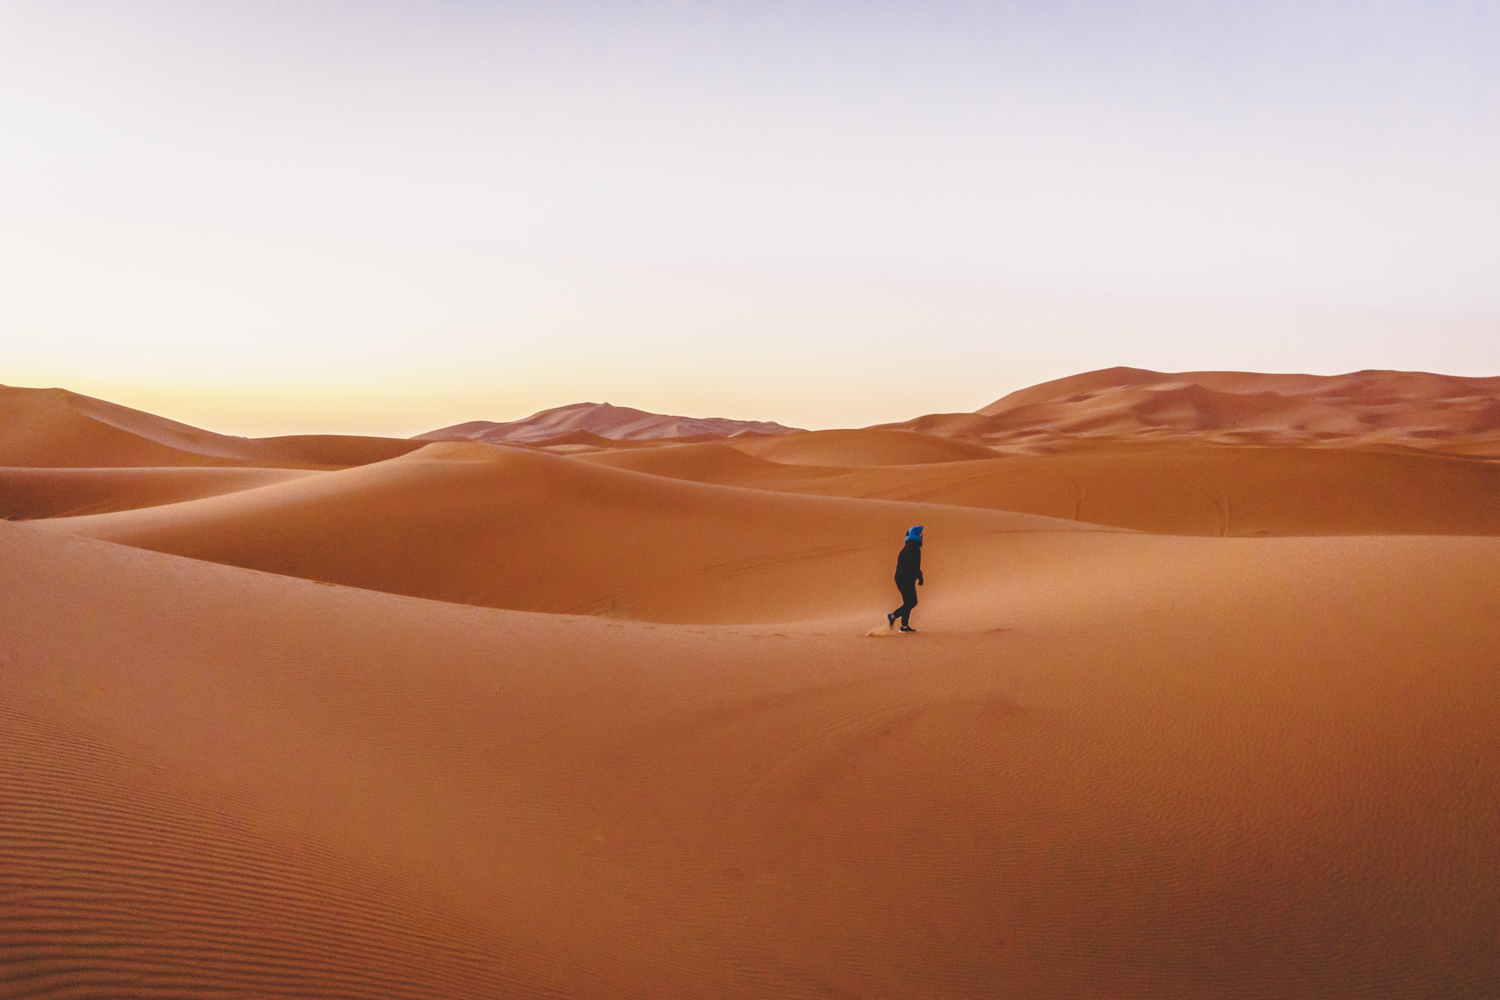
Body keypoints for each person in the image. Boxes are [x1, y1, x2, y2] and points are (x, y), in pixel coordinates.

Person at [887, 525, 924, 632]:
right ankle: (892, 617)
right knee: (912, 602)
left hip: (901, 578)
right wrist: (920, 577)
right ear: (916, 535)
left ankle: (904, 627)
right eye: (920, 534)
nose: (922, 536)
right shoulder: (914, 548)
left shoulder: (907, 547)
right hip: (906, 579)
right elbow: (914, 565)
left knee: (907, 602)